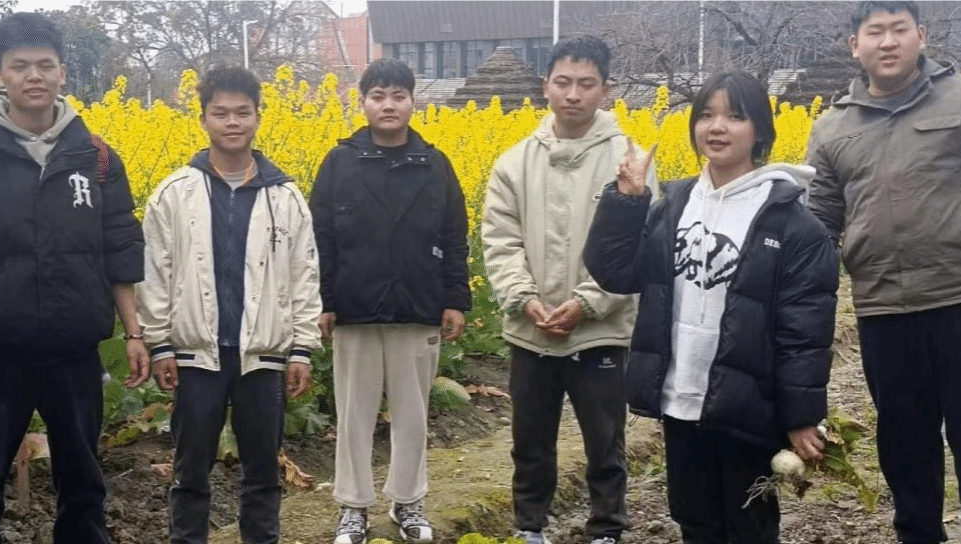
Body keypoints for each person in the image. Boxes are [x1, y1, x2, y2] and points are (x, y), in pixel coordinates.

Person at [0, 12, 147, 544]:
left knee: (84, 487)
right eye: (20, 66)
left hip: (75, 350)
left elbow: (118, 249)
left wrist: (134, 332)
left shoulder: (97, 157)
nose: (34, 76)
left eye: (45, 65)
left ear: (63, 72)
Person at [584, 71, 838, 543]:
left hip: (748, 403)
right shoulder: (674, 205)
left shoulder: (792, 223)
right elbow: (616, 274)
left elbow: (805, 330)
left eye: (735, 116)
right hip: (681, 395)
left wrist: (801, 416)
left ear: (760, 130)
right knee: (694, 518)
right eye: (706, 115)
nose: (717, 127)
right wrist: (627, 201)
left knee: (748, 525)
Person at [805, 1, 961, 542]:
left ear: (920, 35)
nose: (888, 41)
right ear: (855, 45)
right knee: (904, 449)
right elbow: (819, 222)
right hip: (883, 308)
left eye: (899, 29)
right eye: (875, 32)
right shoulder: (832, 126)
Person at [136, 65, 320, 544]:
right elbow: (154, 273)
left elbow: (303, 275)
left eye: (242, 112)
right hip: (197, 356)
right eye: (221, 113)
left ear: (258, 117)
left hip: (263, 356)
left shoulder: (285, 197)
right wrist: (159, 344)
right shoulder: (174, 194)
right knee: (190, 471)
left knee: (264, 472)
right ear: (203, 119)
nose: (232, 122)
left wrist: (302, 349)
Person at [481, 35, 645, 544]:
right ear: (545, 86)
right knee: (530, 440)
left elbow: (634, 246)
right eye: (563, 82)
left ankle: (607, 529)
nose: (573, 94)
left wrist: (587, 302)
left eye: (586, 84)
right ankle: (530, 526)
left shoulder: (628, 161)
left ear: (606, 90)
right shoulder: (513, 162)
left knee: (605, 440)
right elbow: (500, 241)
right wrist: (525, 299)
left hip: (599, 331)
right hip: (531, 331)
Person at [310, 57, 471, 544]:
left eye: (398, 96)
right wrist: (323, 300)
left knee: (412, 414)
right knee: (353, 413)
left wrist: (455, 299)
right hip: (354, 309)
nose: (388, 105)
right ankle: (353, 506)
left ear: (413, 102)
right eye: (378, 96)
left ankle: (408, 500)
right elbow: (320, 239)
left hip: (418, 307)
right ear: (362, 103)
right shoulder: (339, 163)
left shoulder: (435, 164)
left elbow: (455, 236)